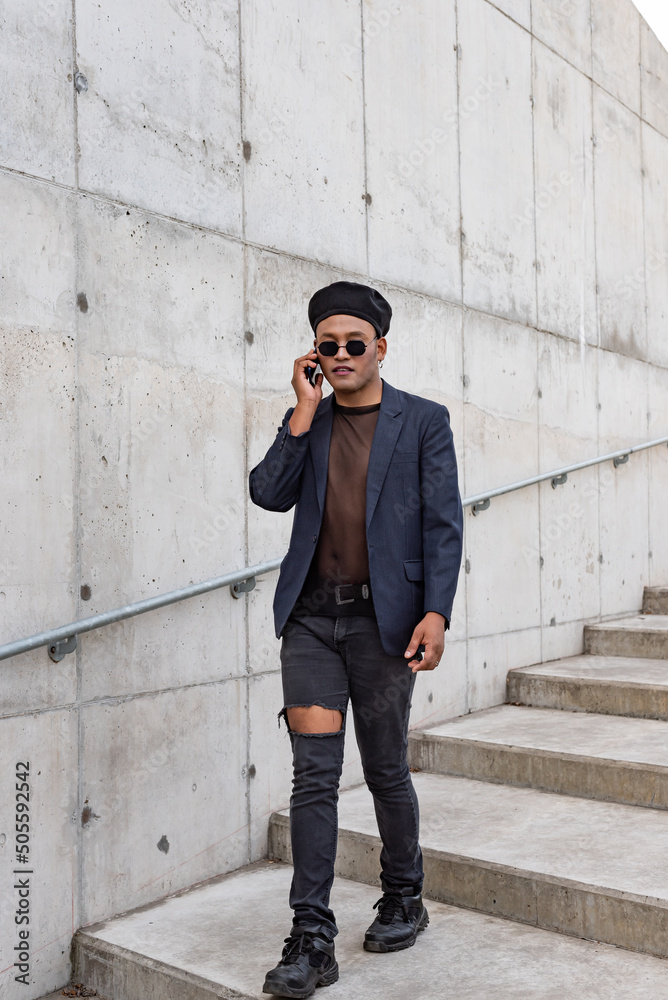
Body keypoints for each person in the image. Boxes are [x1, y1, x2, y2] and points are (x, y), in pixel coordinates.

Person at [248, 280, 463, 999]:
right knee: (313, 776)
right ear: (315, 354)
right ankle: (311, 937)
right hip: (310, 619)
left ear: (380, 347)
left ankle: (404, 894)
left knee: (383, 770)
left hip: (385, 622)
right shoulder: (308, 420)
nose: (340, 355)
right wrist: (301, 416)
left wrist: (437, 612)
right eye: (326, 345)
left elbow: (442, 524)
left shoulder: (424, 421)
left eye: (353, 344)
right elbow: (267, 492)